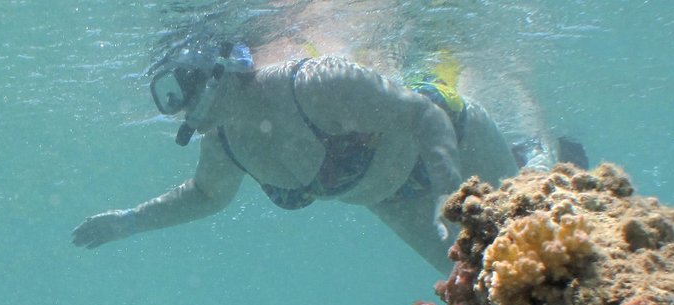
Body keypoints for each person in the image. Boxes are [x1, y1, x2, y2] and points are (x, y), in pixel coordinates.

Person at [72, 41, 543, 272]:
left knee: (532, 227)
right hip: (391, 201)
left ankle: (538, 160)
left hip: (456, 141)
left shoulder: (311, 83)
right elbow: (205, 195)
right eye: (168, 100)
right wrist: (131, 221)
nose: (180, 107)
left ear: (217, 70)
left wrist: (448, 193)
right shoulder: (224, 142)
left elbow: (422, 116)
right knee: (478, 285)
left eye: (181, 89)